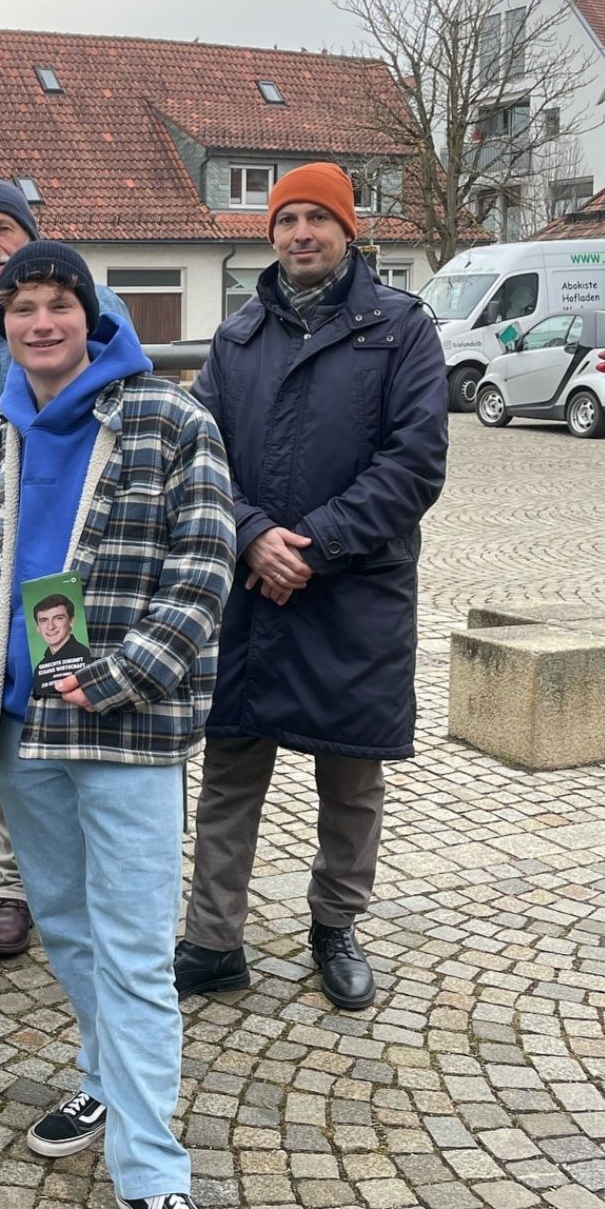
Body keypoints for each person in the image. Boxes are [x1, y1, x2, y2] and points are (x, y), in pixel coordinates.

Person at [0, 241, 235, 1209]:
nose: (39, 321)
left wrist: (120, 677)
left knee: (130, 950)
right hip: (29, 731)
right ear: (4, 323)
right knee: (68, 931)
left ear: (93, 313)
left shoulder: (167, 416)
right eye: (21, 306)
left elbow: (205, 568)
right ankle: (100, 1077)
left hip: (125, 730)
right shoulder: (0, 433)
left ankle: (154, 1171)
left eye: (56, 304)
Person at [176, 163, 449, 1012]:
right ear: (269, 234)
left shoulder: (401, 328)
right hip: (252, 590)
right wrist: (254, 536)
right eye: (286, 218)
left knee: (351, 774)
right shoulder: (237, 335)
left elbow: (414, 463)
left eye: (316, 219)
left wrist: (315, 545)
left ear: (348, 231)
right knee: (230, 765)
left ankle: (335, 926)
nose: (301, 232)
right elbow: (203, 457)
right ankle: (212, 940)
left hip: (352, 592)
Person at [0, 177, 131, 959]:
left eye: (4, 229)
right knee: (10, 717)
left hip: (73, 562)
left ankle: (107, 887)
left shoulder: (90, 305)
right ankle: (18, 888)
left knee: (80, 705)